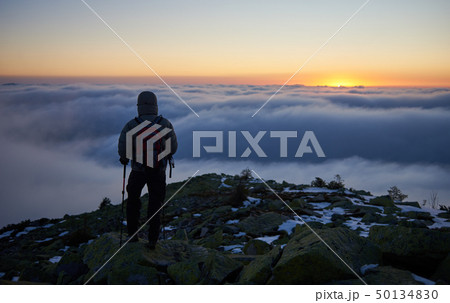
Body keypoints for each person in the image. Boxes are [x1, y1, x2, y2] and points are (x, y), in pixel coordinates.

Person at [118, 91, 177, 249]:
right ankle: (153, 239)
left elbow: (123, 148)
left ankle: (132, 235)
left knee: (133, 201)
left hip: (138, 170)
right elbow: (173, 147)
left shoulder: (132, 124)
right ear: (155, 105)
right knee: (155, 203)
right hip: (158, 171)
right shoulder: (164, 123)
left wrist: (125, 158)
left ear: (139, 106)